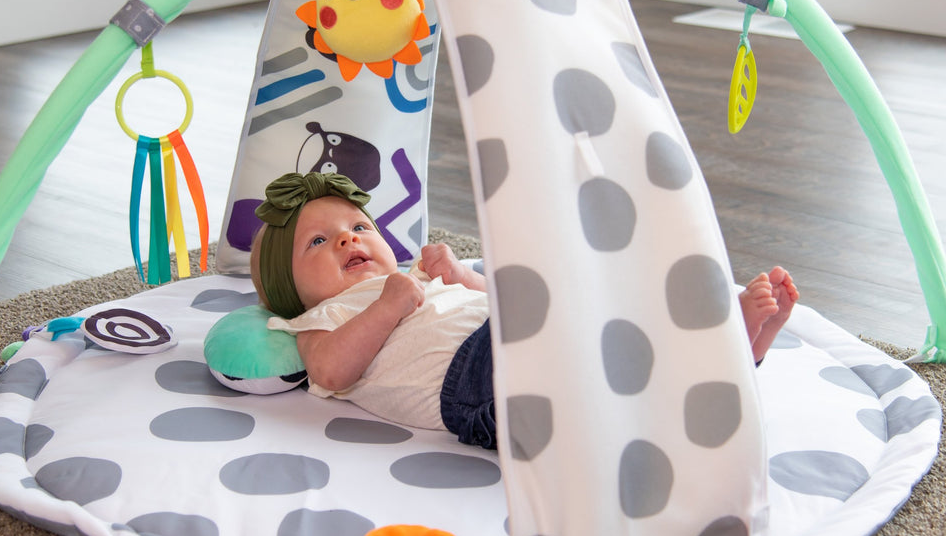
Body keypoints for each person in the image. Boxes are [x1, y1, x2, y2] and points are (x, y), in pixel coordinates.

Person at [251, 172, 799, 451]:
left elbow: (492, 300)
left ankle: (727, 355)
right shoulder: (316, 320)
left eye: (359, 228)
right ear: (290, 289)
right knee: (580, 323)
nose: (349, 241)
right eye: (319, 243)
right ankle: (714, 343)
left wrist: (460, 276)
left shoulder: (411, 277)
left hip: (505, 335)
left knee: (607, 371)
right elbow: (329, 370)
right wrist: (389, 306)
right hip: (472, 384)